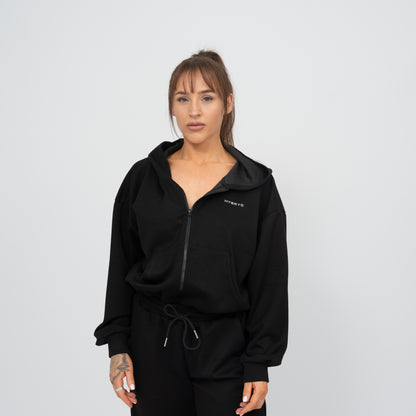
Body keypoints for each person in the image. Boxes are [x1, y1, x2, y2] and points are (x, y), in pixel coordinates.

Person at [93, 49, 289, 416]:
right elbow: (121, 264)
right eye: (183, 98)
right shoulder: (144, 178)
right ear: (172, 105)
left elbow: (270, 280)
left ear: (227, 103)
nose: (194, 111)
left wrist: (259, 362)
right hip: (152, 348)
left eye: (207, 98)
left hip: (227, 349)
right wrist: (118, 346)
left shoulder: (255, 185)